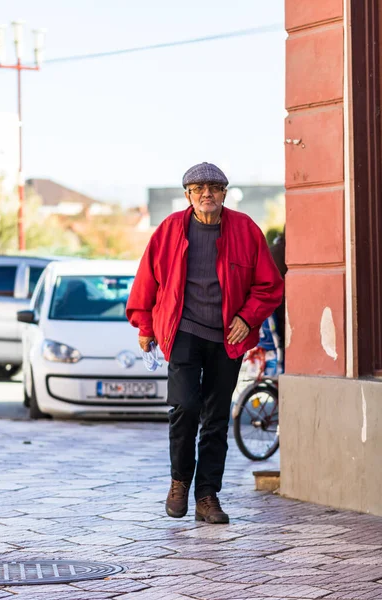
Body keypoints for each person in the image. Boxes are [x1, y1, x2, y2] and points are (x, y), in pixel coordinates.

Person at [126, 162, 283, 524]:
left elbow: (269, 286)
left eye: (213, 187)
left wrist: (247, 318)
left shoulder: (245, 230)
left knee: (215, 419)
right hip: (183, 332)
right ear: (188, 196)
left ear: (225, 193)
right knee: (184, 407)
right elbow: (146, 283)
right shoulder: (168, 232)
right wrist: (144, 326)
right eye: (198, 189)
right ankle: (180, 481)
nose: (206, 193)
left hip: (228, 337)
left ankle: (207, 495)